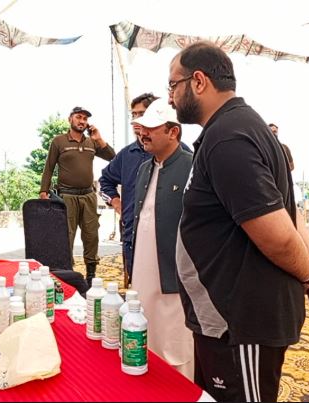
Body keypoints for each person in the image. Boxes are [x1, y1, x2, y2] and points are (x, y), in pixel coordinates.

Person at [170, 41, 309, 402]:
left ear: (198, 81)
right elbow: (289, 212)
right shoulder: (237, 128)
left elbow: (278, 235)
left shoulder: (228, 138)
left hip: (240, 321)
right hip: (229, 320)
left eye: (173, 85)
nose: (170, 98)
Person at [130, 98, 194, 379]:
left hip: (175, 275)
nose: (143, 133)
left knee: (174, 344)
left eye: (151, 128)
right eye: (142, 127)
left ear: (173, 132)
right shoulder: (144, 168)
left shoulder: (193, 166)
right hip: (142, 272)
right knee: (144, 331)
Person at [39, 106, 115, 285]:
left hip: (88, 196)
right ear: (70, 119)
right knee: (66, 237)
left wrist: (99, 139)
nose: (82, 121)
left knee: (91, 236)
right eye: (78, 117)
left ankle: (91, 275)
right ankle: (67, 273)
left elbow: (112, 157)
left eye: (85, 119)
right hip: (66, 197)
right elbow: (49, 167)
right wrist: (43, 191)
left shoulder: (92, 142)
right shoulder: (59, 141)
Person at [98, 93, 157, 285]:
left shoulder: (179, 152)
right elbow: (105, 181)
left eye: (142, 114)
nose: (136, 120)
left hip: (164, 236)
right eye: (134, 115)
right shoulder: (126, 155)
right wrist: (117, 204)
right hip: (132, 232)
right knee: (136, 287)